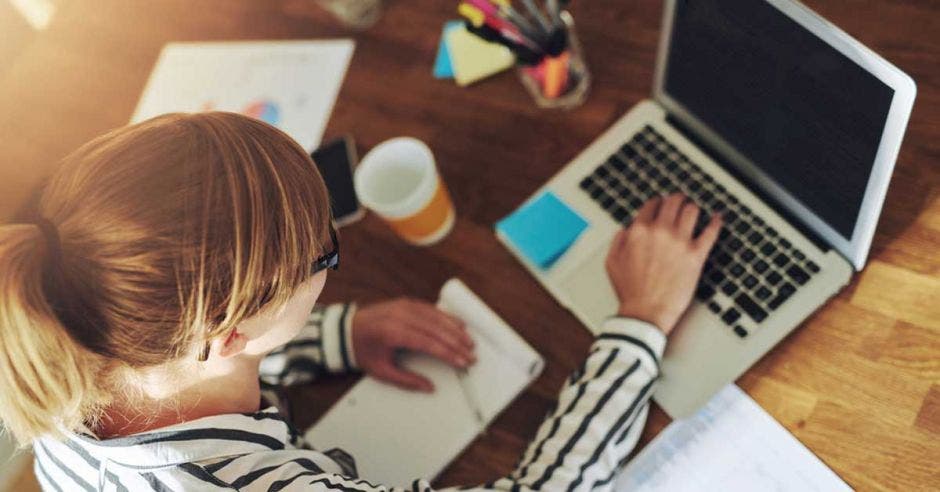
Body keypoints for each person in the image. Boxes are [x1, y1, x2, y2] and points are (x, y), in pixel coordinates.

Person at [0, 112, 720, 491]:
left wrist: (339, 337)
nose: (329, 265)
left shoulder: (58, 353)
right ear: (227, 336)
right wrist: (641, 320)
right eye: (325, 257)